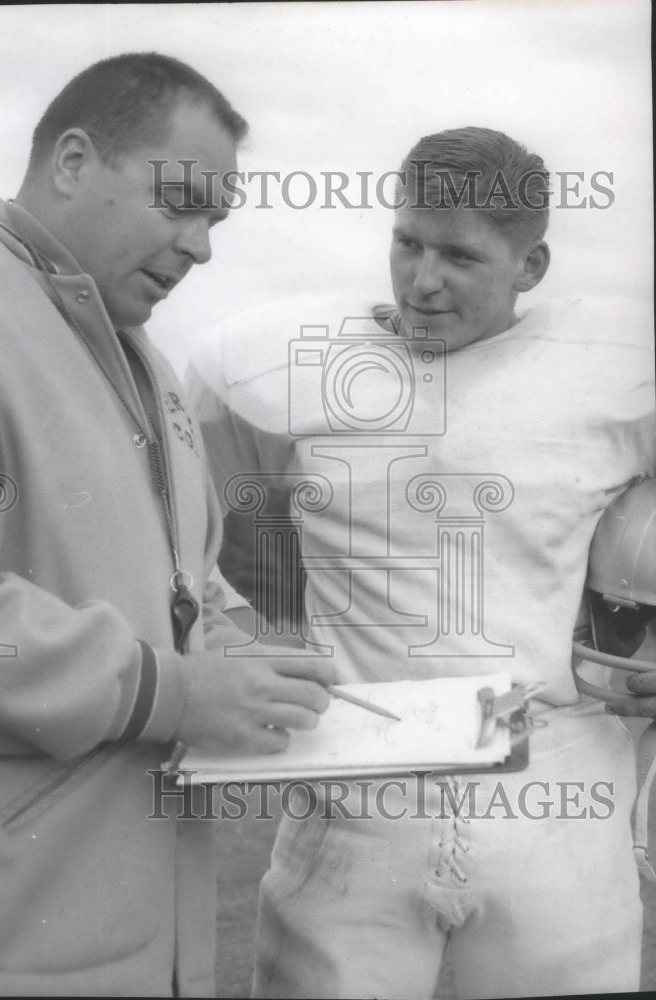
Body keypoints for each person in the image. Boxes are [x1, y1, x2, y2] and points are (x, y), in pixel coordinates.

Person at [0, 53, 335, 996]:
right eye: (181, 204)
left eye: (216, 220)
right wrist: (171, 693)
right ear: (73, 161)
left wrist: (256, 663)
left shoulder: (149, 363)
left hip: (141, 939)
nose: (202, 247)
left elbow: (183, 583)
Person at [187, 127, 656, 998]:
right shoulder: (284, 363)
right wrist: (233, 638)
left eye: (459, 256)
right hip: (348, 784)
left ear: (531, 265)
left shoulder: (620, 370)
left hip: (552, 782)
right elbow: (178, 532)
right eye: (405, 243)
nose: (421, 279)